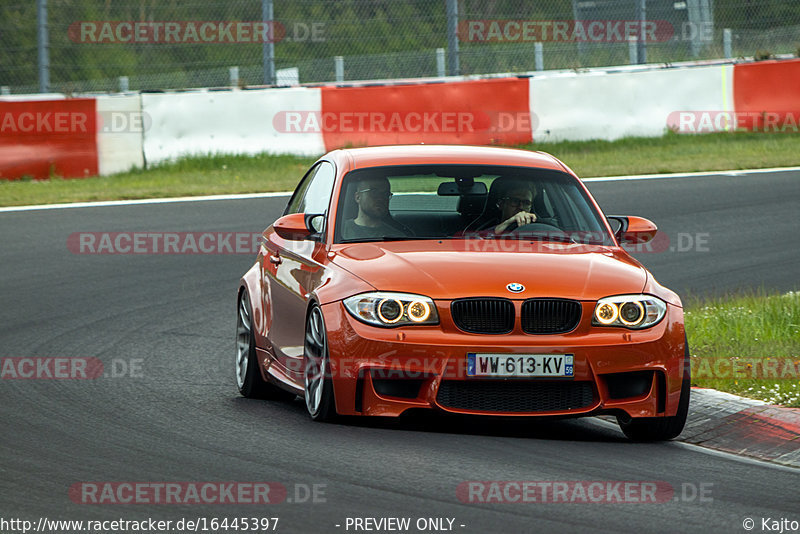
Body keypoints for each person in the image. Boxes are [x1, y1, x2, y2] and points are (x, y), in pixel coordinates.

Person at [340, 176, 412, 240]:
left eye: (385, 193)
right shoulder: (339, 232)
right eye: (374, 192)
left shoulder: (398, 237)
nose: (381, 198)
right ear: (358, 197)